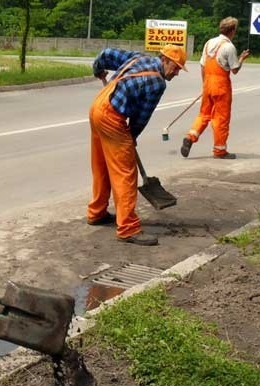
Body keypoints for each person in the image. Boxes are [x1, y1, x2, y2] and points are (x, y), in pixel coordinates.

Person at [87, 44, 187, 246]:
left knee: (103, 165)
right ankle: (128, 228)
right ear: (164, 59)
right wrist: (130, 137)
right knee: (125, 171)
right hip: (112, 116)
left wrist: (98, 68)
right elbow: (141, 117)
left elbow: (106, 53)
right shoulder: (158, 83)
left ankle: (96, 212)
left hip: (98, 106)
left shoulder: (138, 58)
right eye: (175, 67)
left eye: (179, 69)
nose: (176, 73)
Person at [180, 17, 250, 159]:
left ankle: (190, 137)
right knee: (220, 118)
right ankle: (220, 150)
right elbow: (235, 70)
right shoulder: (229, 47)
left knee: (204, 114)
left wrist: (205, 84)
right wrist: (242, 58)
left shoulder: (209, 43)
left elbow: (202, 65)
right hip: (221, 85)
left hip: (208, 82)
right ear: (232, 31)